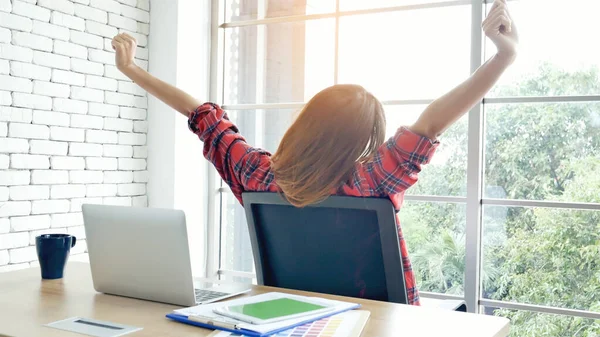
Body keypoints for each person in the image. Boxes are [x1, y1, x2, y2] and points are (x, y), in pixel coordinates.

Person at [111, 0, 518, 305]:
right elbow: (431, 122)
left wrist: (133, 71)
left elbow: (201, 114)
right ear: (366, 140)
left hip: (296, 320)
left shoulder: (257, 174)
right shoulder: (372, 180)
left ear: (307, 122)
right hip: (385, 327)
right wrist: (504, 55)